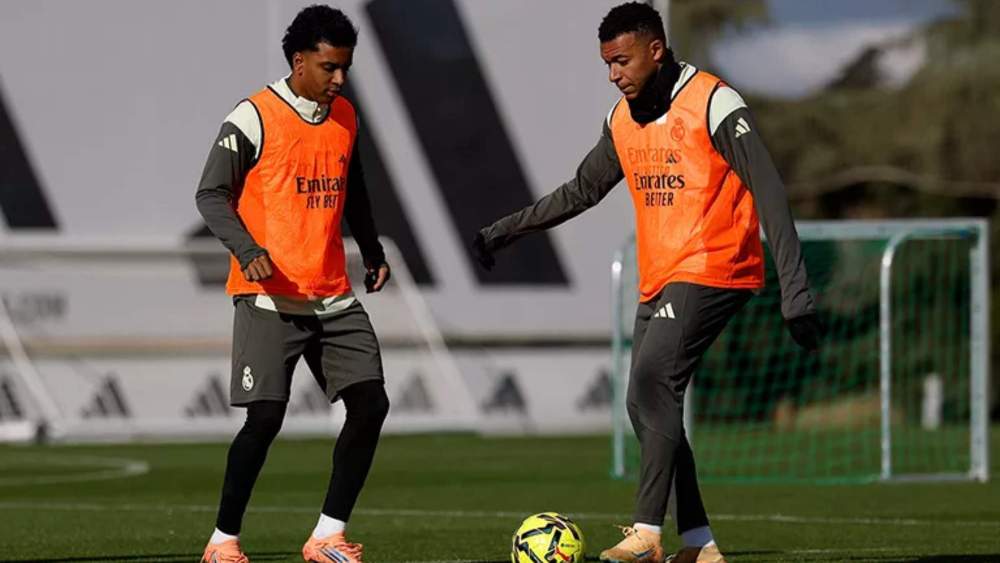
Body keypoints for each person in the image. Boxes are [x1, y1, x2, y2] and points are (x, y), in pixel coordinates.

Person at [472, 3, 821, 562]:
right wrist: (503, 231)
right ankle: (699, 544)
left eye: (622, 61)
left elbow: (769, 190)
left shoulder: (713, 102)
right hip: (659, 278)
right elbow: (580, 191)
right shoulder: (621, 120)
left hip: (716, 266)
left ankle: (647, 534)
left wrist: (795, 292)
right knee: (645, 405)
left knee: (653, 382)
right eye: (607, 64)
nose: (614, 74)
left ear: (656, 50)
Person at [195, 5, 390, 562]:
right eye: (330, 67)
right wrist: (248, 250)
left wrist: (372, 249)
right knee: (265, 419)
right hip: (268, 297)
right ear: (299, 61)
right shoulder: (253, 116)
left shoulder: (345, 116)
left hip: (332, 295)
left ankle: (327, 536)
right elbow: (211, 194)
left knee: (370, 405)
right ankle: (222, 543)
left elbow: (353, 187)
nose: (340, 78)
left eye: (346, 67)